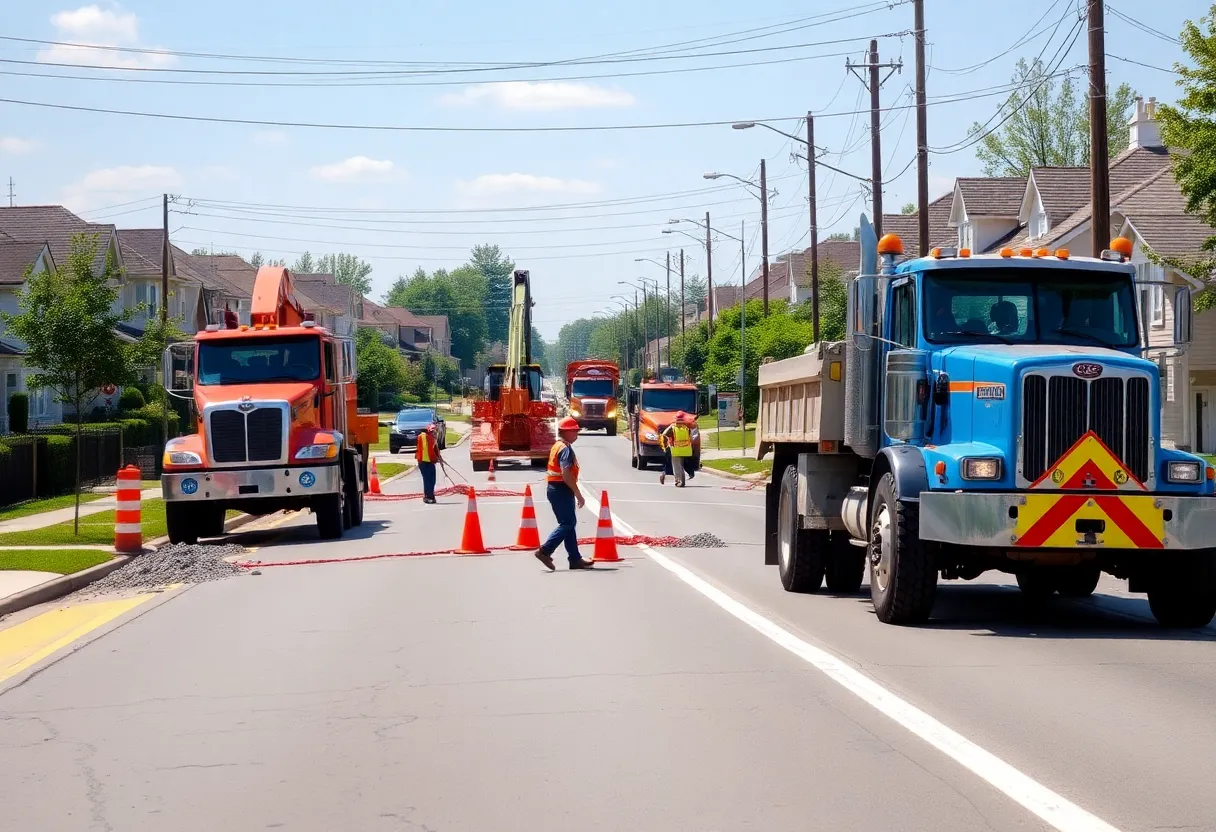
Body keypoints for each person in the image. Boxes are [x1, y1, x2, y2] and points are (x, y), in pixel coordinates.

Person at [535, 416, 595, 571]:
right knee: (567, 524)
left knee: (569, 525)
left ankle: (575, 559)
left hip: (556, 489)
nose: (577, 434)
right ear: (566, 432)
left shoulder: (559, 445)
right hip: (561, 489)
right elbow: (566, 474)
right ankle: (545, 551)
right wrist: (578, 493)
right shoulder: (565, 449)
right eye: (574, 431)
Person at [659, 411, 694, 487]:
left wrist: (671, 425)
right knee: (681, 466)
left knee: (677, 467)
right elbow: (691, 437)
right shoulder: (687, 428)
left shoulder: (673, 428)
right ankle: (683, 480)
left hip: (676, 450)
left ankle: (679, 481)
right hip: (686, 450)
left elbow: (664, 433)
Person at [415, 424, 442, 504]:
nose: (435, 433)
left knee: (432, 480)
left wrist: (438, 456)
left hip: (429, 462)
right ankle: (428, 497)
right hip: (425, 462)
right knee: (428, 480)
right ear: (430, 431)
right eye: (434, 431)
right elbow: (429, 452)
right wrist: (436, 459)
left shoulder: (432, 438)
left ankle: (431, 495)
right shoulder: (425, 437)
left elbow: (434, 450)